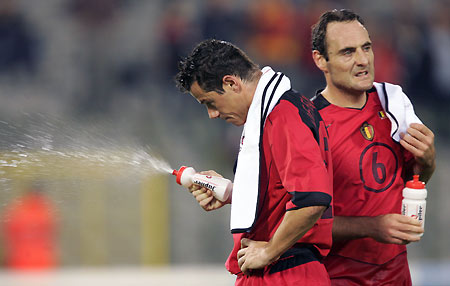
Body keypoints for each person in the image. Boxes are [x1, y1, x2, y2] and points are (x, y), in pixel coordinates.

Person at [175, 39, 333, 285]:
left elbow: (312, 198)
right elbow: (286, 192)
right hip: (279, 269)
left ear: (231, 83)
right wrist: (233, 194)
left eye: (209, 102)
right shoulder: (271, 111)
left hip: (285, 272)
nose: (212, 114)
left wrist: (270, 250)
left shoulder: (282, 114)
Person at [310, 9, 436, 285]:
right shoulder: (308, 124)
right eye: (347, 52)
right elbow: (299, 224)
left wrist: (427, 162)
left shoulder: (393, 101)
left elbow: (411, 179)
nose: (363, 60)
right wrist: (372, 226)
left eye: (366, 48)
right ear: (321, 60)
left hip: (397, 274)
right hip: (339, 278)